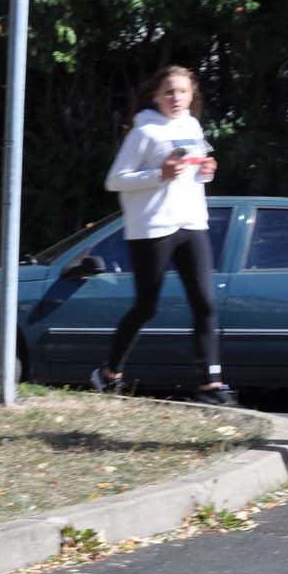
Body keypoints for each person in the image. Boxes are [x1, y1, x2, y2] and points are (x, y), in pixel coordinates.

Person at [95, 64, 233, 404]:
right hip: (153, 228)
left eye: (183, 91)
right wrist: (159, 173)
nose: (176, 97)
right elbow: (114, 180)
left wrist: (207, 171)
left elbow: (195, 175)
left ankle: (211, 385)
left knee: (205, 303)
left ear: (192, 95)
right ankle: (108, 373)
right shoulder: (143, 132)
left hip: (192, 223)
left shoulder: (193, 126)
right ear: (156, 95)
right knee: (146, 306)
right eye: (169, 91)